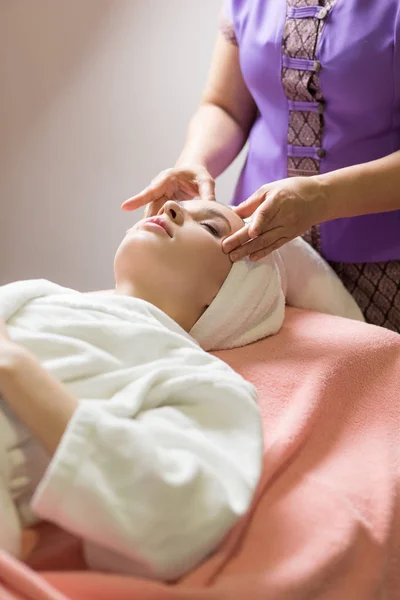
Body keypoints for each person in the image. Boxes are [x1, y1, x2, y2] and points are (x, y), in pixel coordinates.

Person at [0, 198, 362, 581]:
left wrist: (16, 366)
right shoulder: (37, 299)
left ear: (230, 299)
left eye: (210, 227)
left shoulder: (199, 379)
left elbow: (177, 510)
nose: (170, 205)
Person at [122, 0, 400, 333]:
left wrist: (324, 197)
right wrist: (194, 161)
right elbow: (225, 106)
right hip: (255, 263)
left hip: (385, 265)